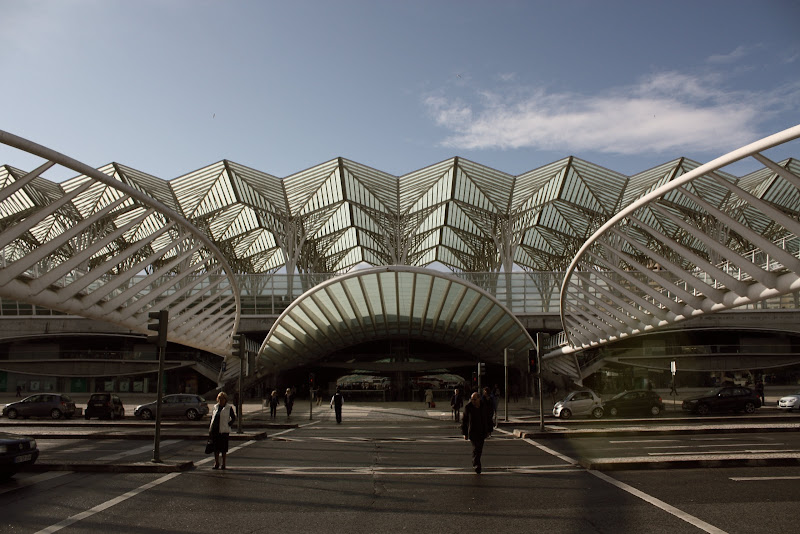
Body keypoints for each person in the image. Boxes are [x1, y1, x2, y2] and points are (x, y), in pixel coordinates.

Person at [461, 392, 492, 474]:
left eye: (474, 399)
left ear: (479, 399)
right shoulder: (468, 407)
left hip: (482, 431)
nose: (473, 401)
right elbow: (464, 421)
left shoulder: (484, 406)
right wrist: (464, 433)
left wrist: (489, 430)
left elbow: (488, 418)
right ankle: (477, 465)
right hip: (473, 431)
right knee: (476, 448)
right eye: (472, 399)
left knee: (479, 449)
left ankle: (476, 461)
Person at [209, 391, 236, 470]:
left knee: (223, 448)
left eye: (222, 398)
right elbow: (212, 417)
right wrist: (210, 428)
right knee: (216, 448)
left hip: (224, 430)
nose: (221, 400)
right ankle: (216, 463)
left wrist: (229, 424)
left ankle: (223, 463)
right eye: (219, 398)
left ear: (225, 399)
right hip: (215, 430)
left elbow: (233, 418)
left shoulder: (228, 408)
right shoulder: (215, 407)